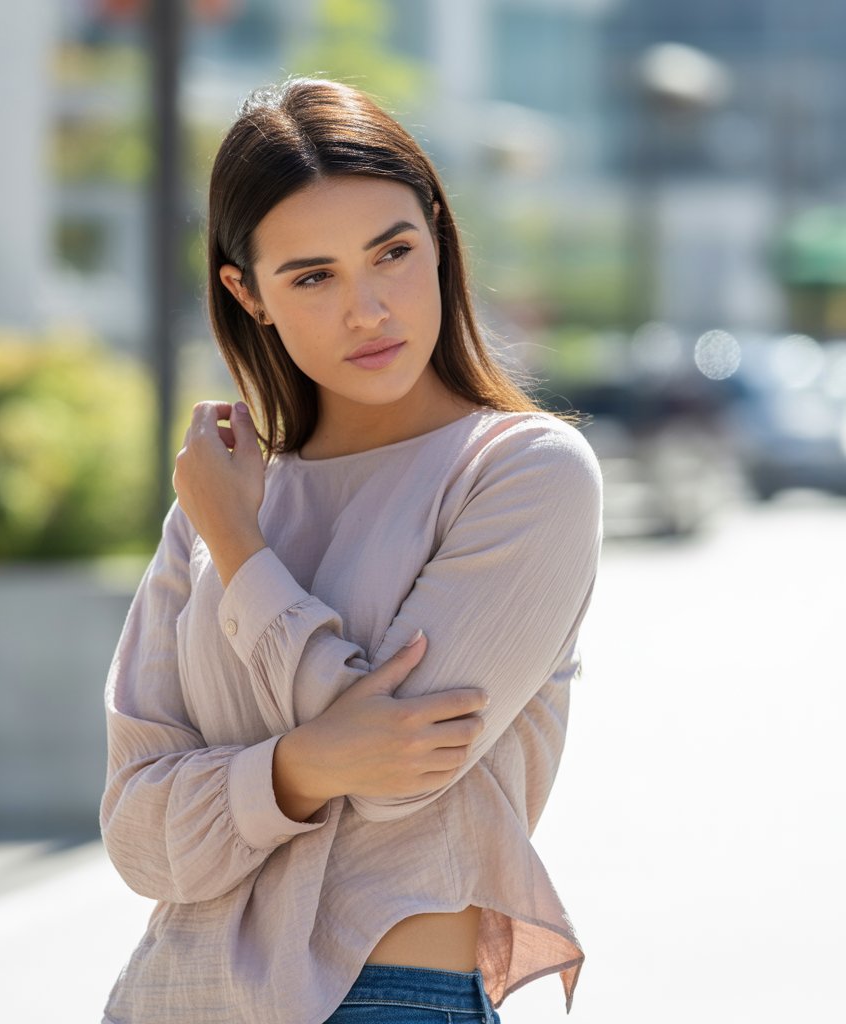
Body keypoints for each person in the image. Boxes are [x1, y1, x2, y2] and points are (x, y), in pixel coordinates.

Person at [100, 77, 603, 1024]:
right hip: (171, 997)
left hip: (393, 1000)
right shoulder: (219, 495)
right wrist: (304, 766)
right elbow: (136, 834)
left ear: (441, 244)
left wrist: (245, 554)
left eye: (393, 253)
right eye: (313, 276)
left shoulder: (524, 473)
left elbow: (404, 774)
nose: (369, 309)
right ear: (248, 294)